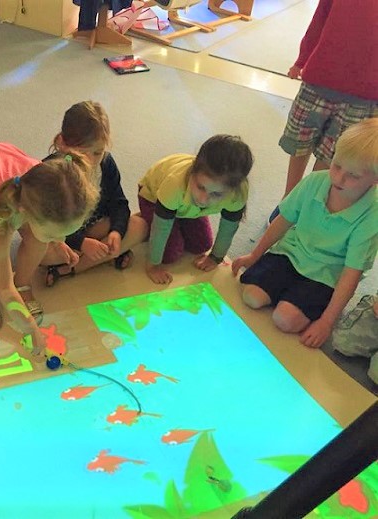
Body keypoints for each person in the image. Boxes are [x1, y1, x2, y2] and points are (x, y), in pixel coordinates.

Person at [0, 142, 99, 355]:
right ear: (26, 212)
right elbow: (4, 286)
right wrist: (30, 328)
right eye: (54, 234)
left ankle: (23, 283)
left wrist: (56, 240)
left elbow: (48, 230)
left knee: (38, 240)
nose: (61, 238)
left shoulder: (46, 187)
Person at [233, 118, 378, 348]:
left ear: (375, 180)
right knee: (252, 296)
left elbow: (351, 273)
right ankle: (291, 295)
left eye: (354, 175)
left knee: (285, 319)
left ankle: (299, 300)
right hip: (293, 252)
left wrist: (326, 322)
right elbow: (283, 221)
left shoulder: (372, 215)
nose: (339, 178)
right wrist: (255, 255)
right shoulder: (315, 182)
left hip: (327, 274)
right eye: (337, 165)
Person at [272, 0, 377, 221]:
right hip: (320, 77)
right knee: (300, 142)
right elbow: (320, 17)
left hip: (365, 94)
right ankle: (289, 199)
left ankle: (307, 202)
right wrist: (302, 59)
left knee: (333, 155)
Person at [41, 101, 148, 286]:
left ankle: (71, 268)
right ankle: (99, 258)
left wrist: (116, 232)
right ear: (63, 144)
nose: (91, 161)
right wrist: (81, 243)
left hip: (95, 227)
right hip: (61, 237)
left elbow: (119, 204)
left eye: (97, 152)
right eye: (82, 153)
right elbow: (45, 227)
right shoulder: (52, 172)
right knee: (41, 253)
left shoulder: (106, 163)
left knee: (140, 226)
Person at [138, 135, 253, 284]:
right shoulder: (174, 184)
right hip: (153, 197)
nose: (203, 199)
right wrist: (153, 266)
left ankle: (175, 217)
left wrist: (216, 257)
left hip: (188, 209)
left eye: (216, 194)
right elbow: (161, 229)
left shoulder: (238, 193)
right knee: (171, 253)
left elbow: (228, 228)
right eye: (200, 187)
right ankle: (147, 217)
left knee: (202, 245)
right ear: (193, 171)